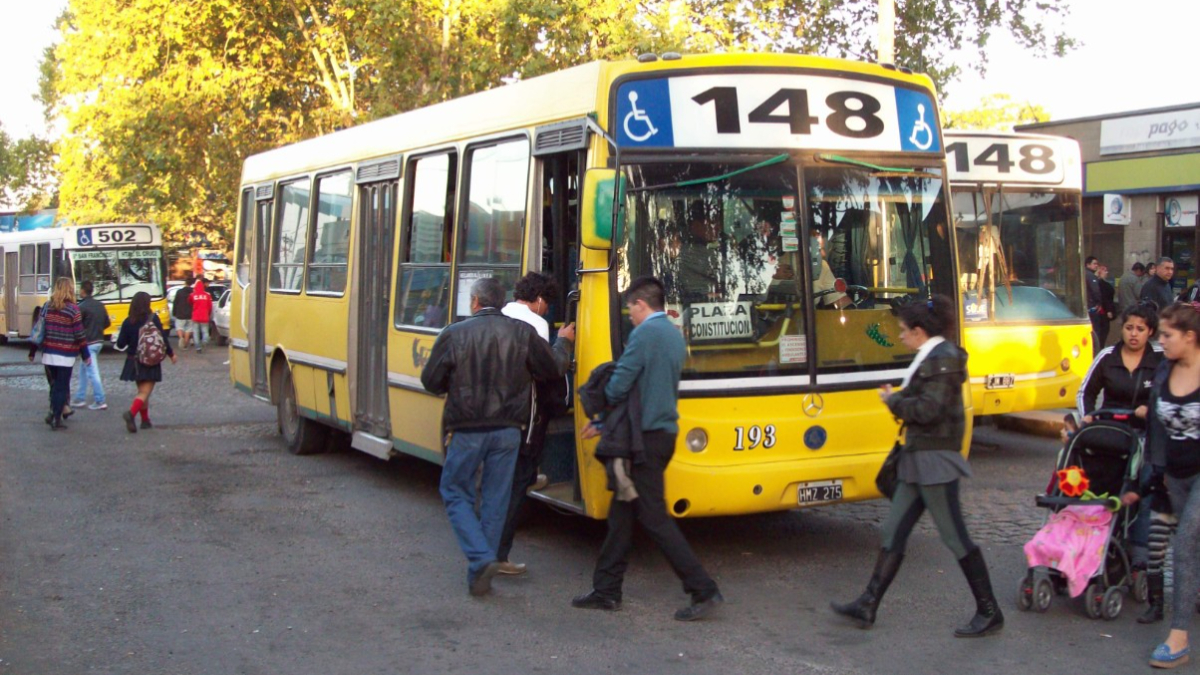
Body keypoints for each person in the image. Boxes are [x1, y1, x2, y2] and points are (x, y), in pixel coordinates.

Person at [831, 295, 1002, 637]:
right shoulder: (935, 357)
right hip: (919, 458)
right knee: (893, 530)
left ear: (920, 331)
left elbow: (928, 410)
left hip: (934, 461)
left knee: (955, 537)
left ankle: (989, 610)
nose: (901, 336)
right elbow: (926, 404)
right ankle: (868, 603)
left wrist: (892, 400)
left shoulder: (942, 360)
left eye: (904, 331)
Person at [571, 276, 724, 621]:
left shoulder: (644, 335)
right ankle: (606, 589)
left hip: (643, 438)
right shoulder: (672, 333)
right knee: (622, 514)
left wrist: (601, 411)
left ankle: (702, 587)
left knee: (653, 517)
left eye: (629, 307)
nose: (629, 314)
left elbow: (620, 385)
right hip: (661, 432)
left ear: (641, 304)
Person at [419, 277, 572, 597]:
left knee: (454, 490)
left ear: (474, 302)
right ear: (501, 303)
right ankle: (482, 569)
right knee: (495, 498)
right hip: (508, 432)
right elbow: (554, 367)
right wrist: (564, 343)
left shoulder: (453, 334)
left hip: (467, 429)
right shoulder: (523, 333)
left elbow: (431, 381)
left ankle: (481, 557)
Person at [1077, 304, 1166, 621]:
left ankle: (1138, 555)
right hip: (1106, 434)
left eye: (1140, 329)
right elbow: (1085, 391)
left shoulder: (1158, 363)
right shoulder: (1107, 358)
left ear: (1150, 332)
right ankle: (1089, 546)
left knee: (1142, 491)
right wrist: (1085, 418)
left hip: (1142, 438)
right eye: (1129, 327)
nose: (1133, 334)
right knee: (1097, 488)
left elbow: (1166, 397)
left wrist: (1149, 410)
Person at [1128, 303, 1200, 667]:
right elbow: (1156, 426)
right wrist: (1156, 475)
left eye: (1168, 335)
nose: (1161, 340)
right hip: (1175, 472)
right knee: (1190, 546)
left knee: (1186, 543)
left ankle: (1178, 638)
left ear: (1190, 337)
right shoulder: (1164, 372)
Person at [496, 272, 570, 575]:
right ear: (539, 300)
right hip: (523, 420)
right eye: (547, 302)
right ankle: (497, 555)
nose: (546, 308)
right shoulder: (535, 325)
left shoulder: (497, 316)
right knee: (515, 487)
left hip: (491, 417)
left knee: (497, 485)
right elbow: (549, 369)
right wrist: (564, 342)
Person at [28, 278, 91, 430]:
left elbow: (39, 330)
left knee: (55, 385)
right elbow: (79, 334)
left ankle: (53, 412)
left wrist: (32, 351)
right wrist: (85, 355)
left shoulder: (47, 307)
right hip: (66, 354)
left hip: (49, 353)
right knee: (62, 386)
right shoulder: (73, 309)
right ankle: (56, 417)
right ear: (70, 289)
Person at [115, 291, 177, 433]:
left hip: (134, 361)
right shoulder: (153, 319)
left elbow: (120, 343)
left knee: (142, 391)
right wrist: (171, 354)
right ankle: (131, 414)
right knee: (144, 392)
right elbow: (163, 338)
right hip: (150, 359)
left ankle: (145, 420)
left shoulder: (127, 321)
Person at [70, 280, 111, 411]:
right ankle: (80, 397)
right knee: (83, 369)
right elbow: (107, 323)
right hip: (99, 341)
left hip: (88, 343)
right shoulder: (100, 305)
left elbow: (76, 326)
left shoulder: (81, 307)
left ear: (83, 291)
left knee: (92, 372)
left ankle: (100, 400)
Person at [1086, 256, 1105, 354]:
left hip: (1087, 307)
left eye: (1097, 264)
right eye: (1094, 264)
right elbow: (1095, 291)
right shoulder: (1090, 276)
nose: (1096, 266)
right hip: (1092, 307)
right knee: (1095, 331)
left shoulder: (1085, 275)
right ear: (1088, 264)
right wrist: (1099, 303)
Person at [190, 278, 213, 353]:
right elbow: (210, 306)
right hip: (204, 316)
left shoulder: (192, 295)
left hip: (195, 316)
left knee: (196, 332)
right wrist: (208, 314)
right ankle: (205, 341)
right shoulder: (207, 295)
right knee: (205, 331)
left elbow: (190, 302)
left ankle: (198, 347)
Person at [1097, 264, 1116, 346]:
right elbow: (1106, 299)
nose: (1106, 273)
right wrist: (1109, 310)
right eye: (1104, 271)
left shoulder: (1101, 284)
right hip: (1102, 312)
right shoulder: (1103, 285)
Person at [172, 277, 194, 349]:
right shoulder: (193, 292)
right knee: (188, 329)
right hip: (190, 314)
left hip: (180, 313)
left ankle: (181, 337)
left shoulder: (179, 292)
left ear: (185, 283)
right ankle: (185, 344)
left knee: (179, 327)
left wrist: (174, 312)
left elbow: (175, 302)